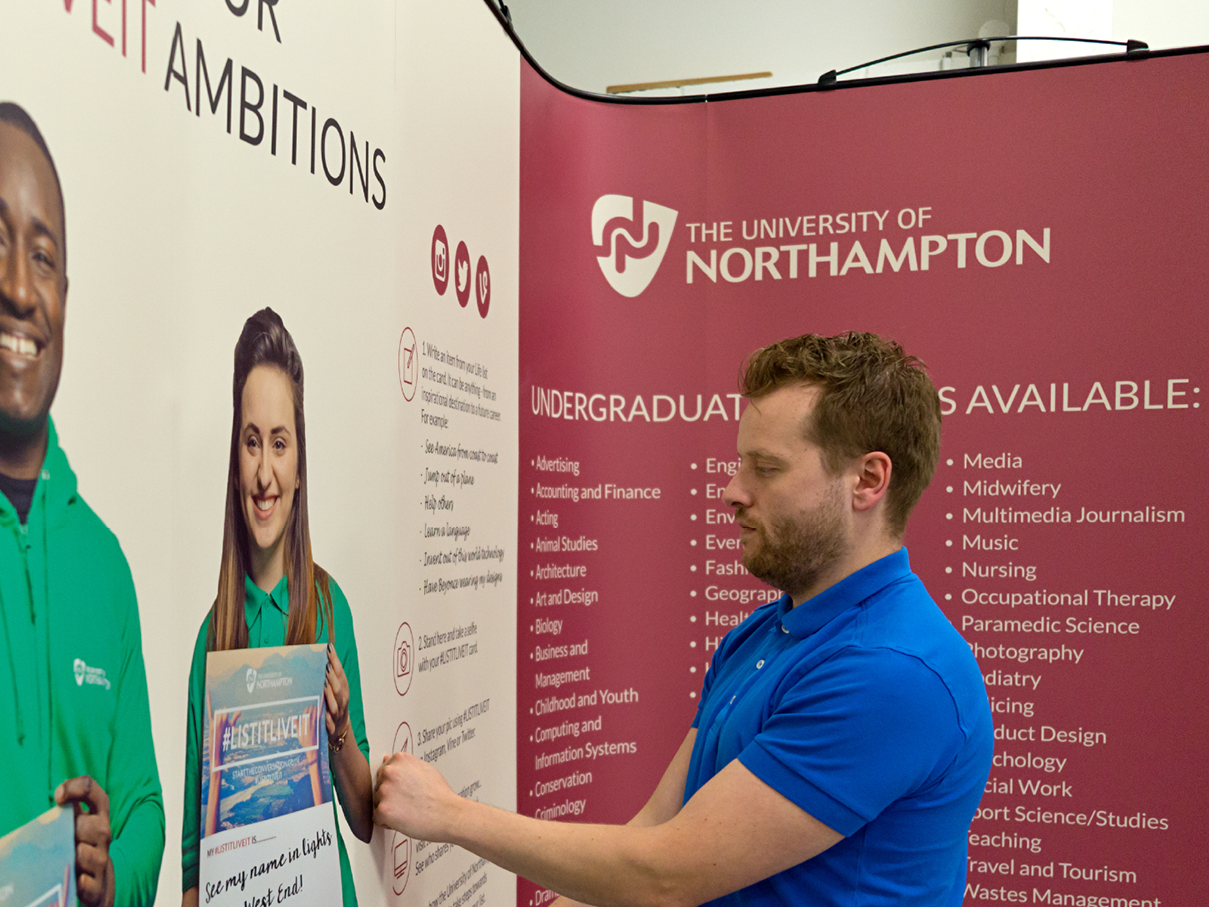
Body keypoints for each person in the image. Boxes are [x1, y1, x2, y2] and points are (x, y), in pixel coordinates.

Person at [375, 332, 994, 907]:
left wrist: (451, 816)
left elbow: (666, 874)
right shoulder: (763, 634)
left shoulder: (891, 673)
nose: (732, 489)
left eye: (767, 467)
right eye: (739, 462)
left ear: (868, 479)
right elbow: (657, 831)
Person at [0, 101, 165, 907]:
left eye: (41, 256)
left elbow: (144, 808)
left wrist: (112, 877)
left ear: (66, 292)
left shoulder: (104, 564)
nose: (18, 289)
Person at [181, 307, 373, 907]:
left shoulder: (328, 610)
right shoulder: (212, 641)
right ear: (235, 457)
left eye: (281, 444)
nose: (265, 472)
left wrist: (339, 732)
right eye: (252, 442)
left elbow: (366, 820)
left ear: (299, 464)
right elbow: (194, 863)